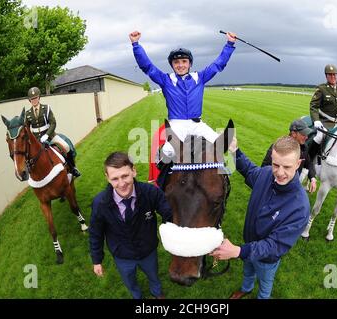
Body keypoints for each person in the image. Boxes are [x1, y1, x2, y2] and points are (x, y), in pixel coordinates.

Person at [210, 136, 310, 299]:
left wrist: (238, 250)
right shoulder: (266, 174)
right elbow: (249, 171)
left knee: (265, 284)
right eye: (276, 165)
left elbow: (275, 245)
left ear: (298, 164)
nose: (279, 172)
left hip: (266, 260)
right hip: (248, 245)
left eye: (287, 167)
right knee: (247, 271)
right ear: (271, 158)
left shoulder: (300, 207)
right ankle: (246, 288)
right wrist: (235, 152)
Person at [129, 30, 237, 163]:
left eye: (184, 61)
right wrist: (136, 45)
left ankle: (224, 179)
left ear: (190, 64)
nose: (180, 65)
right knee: (166, 154)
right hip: (177, 125)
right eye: (176, 62)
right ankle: (162, 179)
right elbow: (147, 66)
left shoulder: (200, 77)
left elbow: (218, 64)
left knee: (221, 145)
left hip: (198, 124)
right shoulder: (165, 79)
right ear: (172, 65)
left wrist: (229, 44)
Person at [89, 152, 172, 299]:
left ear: (133, 171)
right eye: (115, 178)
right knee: (130, 282)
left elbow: (169, 214)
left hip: (148, 251)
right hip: (122, 256)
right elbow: (96, 233)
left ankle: (157, 292)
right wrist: (97, 260)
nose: (121, 183)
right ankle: (137, 296)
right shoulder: (100, 203)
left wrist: (180, 234)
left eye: (125, 176)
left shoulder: (150, 192)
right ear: (107, 178)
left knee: (154, 275)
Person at [24, 87, 81, 177]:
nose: (34, 100)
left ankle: (73, 168)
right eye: (32, 99)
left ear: (39, 98)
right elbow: (26, 129)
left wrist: (47, 135)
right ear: (29, 100)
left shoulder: (46, 108)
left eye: (35, 98)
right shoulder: (27, 114)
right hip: (37, 140)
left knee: (66, 147)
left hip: (50, 136)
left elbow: (53, 123)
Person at [261, 119, 317, 193]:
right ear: (293, 134)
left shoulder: (304, 147)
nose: (306, 137)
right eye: (303, 134)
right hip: (276, 187)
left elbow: (308, 163)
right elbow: (265, 167)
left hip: (291, 188)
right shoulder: (279, 147)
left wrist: (312, 178)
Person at [308, 64, 337, 159]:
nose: (333, 77)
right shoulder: (321, 89)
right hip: (325, 122)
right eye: (330, 75)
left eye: (334, 75)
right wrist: (316, 120)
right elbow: (313, 106)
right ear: (326, 76)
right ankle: (309, 161)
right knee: (320, 136)